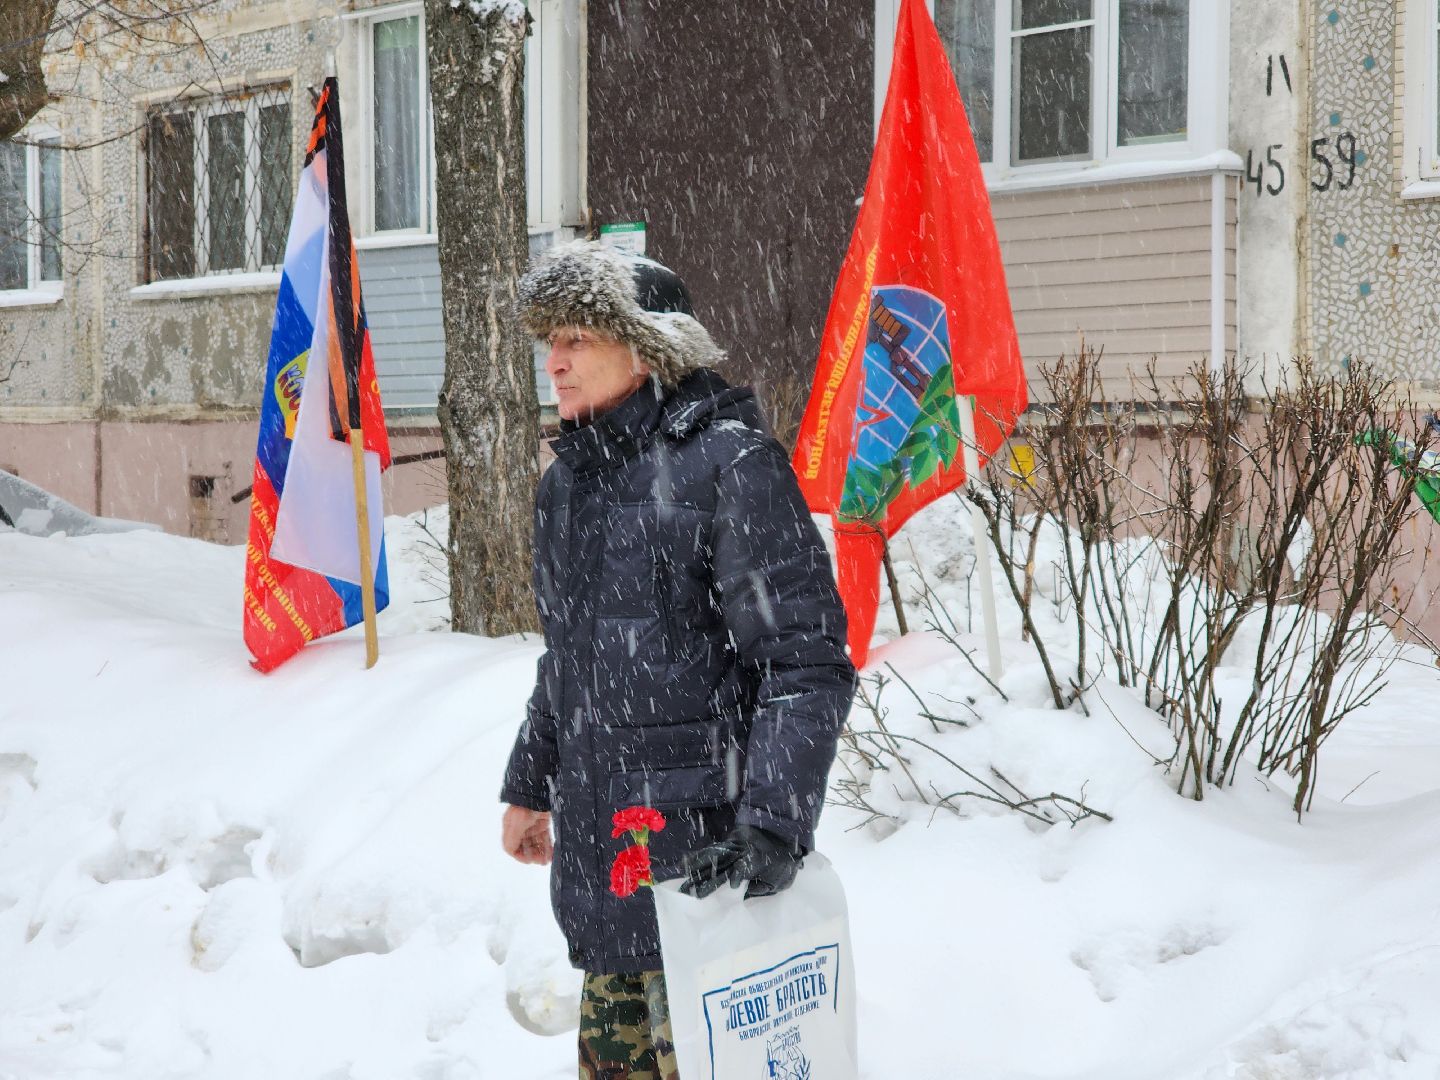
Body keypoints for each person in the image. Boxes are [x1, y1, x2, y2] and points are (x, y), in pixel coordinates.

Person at [499, 239, 856, 1080]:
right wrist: (528, 780)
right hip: (605, 876)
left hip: (704, 883)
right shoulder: (569, 482)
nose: (553, 362)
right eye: (548, 341)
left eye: (576, 339)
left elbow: (804, 662)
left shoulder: (730, 466)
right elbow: (571, 656)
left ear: (647, 347)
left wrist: (773, 821)